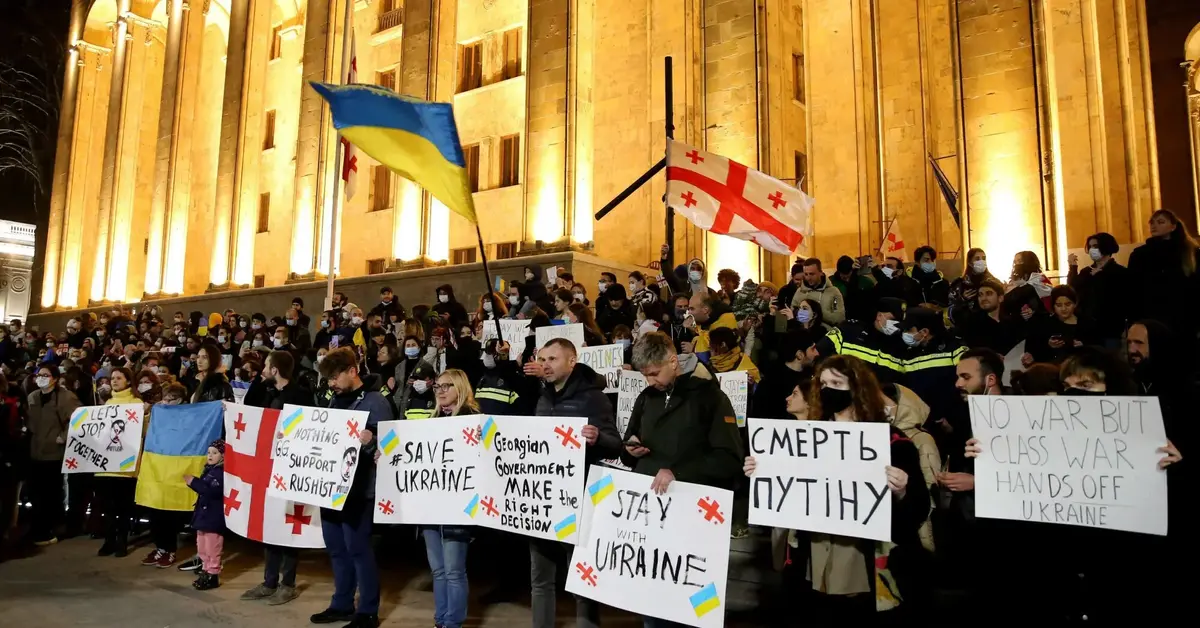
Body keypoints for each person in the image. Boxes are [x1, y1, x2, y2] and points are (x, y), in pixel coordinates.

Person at [743, 355, 927, 621]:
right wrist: (762, 470)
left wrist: (902, 491)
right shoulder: (805, 438)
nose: (827, 389)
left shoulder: (891, 442)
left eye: (836, 383)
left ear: (856, 388)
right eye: (823, 383)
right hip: (813, 555)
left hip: (861, 560)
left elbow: (917, 510)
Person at [528, 338, 622, 628]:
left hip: (578, 500)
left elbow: (616, 445)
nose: (546, 364)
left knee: (582, 579)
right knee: (540, 579)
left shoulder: (593, 398)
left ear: (572, 361)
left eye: (553, 359)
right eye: (542, 359)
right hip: (542, 501)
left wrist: (598, 439)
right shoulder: (543, 397)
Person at [310, 348, 389, 627]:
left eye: (334, 377)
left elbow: (389, 445)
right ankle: (341, 603)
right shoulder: (333, 402)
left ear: (352, 371)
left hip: (359, 490)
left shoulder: (375, 401)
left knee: (358, 549)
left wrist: (372, 440)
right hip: (330, 488)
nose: (330, 383)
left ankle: (368, 610)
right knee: (336, 549)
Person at [622, 332, 744, 490]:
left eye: (654, 374)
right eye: (645, 375)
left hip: (690, 499)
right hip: (646, 499)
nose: (650, 382)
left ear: (673, 362)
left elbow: (729, 458)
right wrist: (629, 451)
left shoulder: (710, 397)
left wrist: (678, 473)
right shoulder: (646, 397)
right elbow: (626, 448)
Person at [422, 369, 478, 628]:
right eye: (437, 387)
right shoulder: (429, 420)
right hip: (430, 508)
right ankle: (440, 620)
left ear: (461, 388)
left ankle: (453, 623)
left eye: (447, 386)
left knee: (454, 571)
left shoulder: (474, 420)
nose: (441, 391)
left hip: (458, 510)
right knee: (439, 571)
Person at [25, 364, 80, 546]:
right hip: (35, 451)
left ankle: (49, 528)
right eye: (39, 374)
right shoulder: (33, 397)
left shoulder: (66, 397)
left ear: (55, 378)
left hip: (54, 453)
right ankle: (37, 527)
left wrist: (62, 437)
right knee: (36, 493)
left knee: (51, 493)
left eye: (45, 375)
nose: (41, 378)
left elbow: (77, 420)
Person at [1127, 209, 1200, 336]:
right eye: (1152, 223)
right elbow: (1133, 289)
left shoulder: (1190, 253)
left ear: (1173, 227)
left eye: (1160, 222)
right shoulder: (1140, 254)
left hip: (1183, 319)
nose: (1154, 226)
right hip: (1150, 317)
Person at [95, 367, 140, 557]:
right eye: (112, 378)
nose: (114, 381)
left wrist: (144, 415)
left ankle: (121, 540)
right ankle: (109, 540)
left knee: (123, 506)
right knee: (108, 507)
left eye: (119, 378)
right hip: (106, 466)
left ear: (128, 381)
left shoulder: (136, 403)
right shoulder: (106, 405)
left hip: (126, 466)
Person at [1067, 232, 1129, 347]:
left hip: (1109, 331)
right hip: (1086, 329)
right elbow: (1073, 289)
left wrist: (1100, 277)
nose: (1092, 249)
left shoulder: (1119, 272)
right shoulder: (1087, 271)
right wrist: (1073, 267)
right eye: (1090, 246)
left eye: (1095, 246)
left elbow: (1117, 299)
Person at [185, 440, 226, 590]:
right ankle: (205, 570)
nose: (210, 455)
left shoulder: (220, 473)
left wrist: (193, 482)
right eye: (209, 452)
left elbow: (211, 491)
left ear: (222, 456)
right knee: (202, 545)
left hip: (213, 518)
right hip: (204, 516)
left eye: (215, 453)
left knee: (212, 547)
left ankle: (212, 574)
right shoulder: (209, 470)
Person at [1022, 285, 1094, 365]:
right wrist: (1048, 345)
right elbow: (1034, 351)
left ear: (1075, 303)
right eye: (1059, 305)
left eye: (1068, 304)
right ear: (1053, 306)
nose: (1063, 309)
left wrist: (1083, 346)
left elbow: (1098, 348)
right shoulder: (1045, 324)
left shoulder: (1087, 323)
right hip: (1052, 370)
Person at [790, 258, 845, 325]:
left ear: (821, 273)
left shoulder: (833, 292)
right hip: (804, 332)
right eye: (806, 274)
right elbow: (793, 311)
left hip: (826, 332)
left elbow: (839, 318)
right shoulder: (800, 291)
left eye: (812, 274)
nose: (808, 278)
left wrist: (817, 312)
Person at [686, 292, 737, 363]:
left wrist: (693, 349)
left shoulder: (725, 319)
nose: (689, 313)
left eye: (692, 309)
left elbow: (716, 349)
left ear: (705, 310)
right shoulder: (704, 322)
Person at [830, 255, 876, 324]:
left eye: (849, 276)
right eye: (844, 277)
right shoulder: (831, 282)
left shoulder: (865, 282)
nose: (847, 279)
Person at [907, 246, 950, 310]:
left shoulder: (943, 283)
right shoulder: (908, 283)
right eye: (926, 260)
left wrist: (934, 306)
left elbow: (947, 306)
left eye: (933, 260)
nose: (931, 263)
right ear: (917, 262)